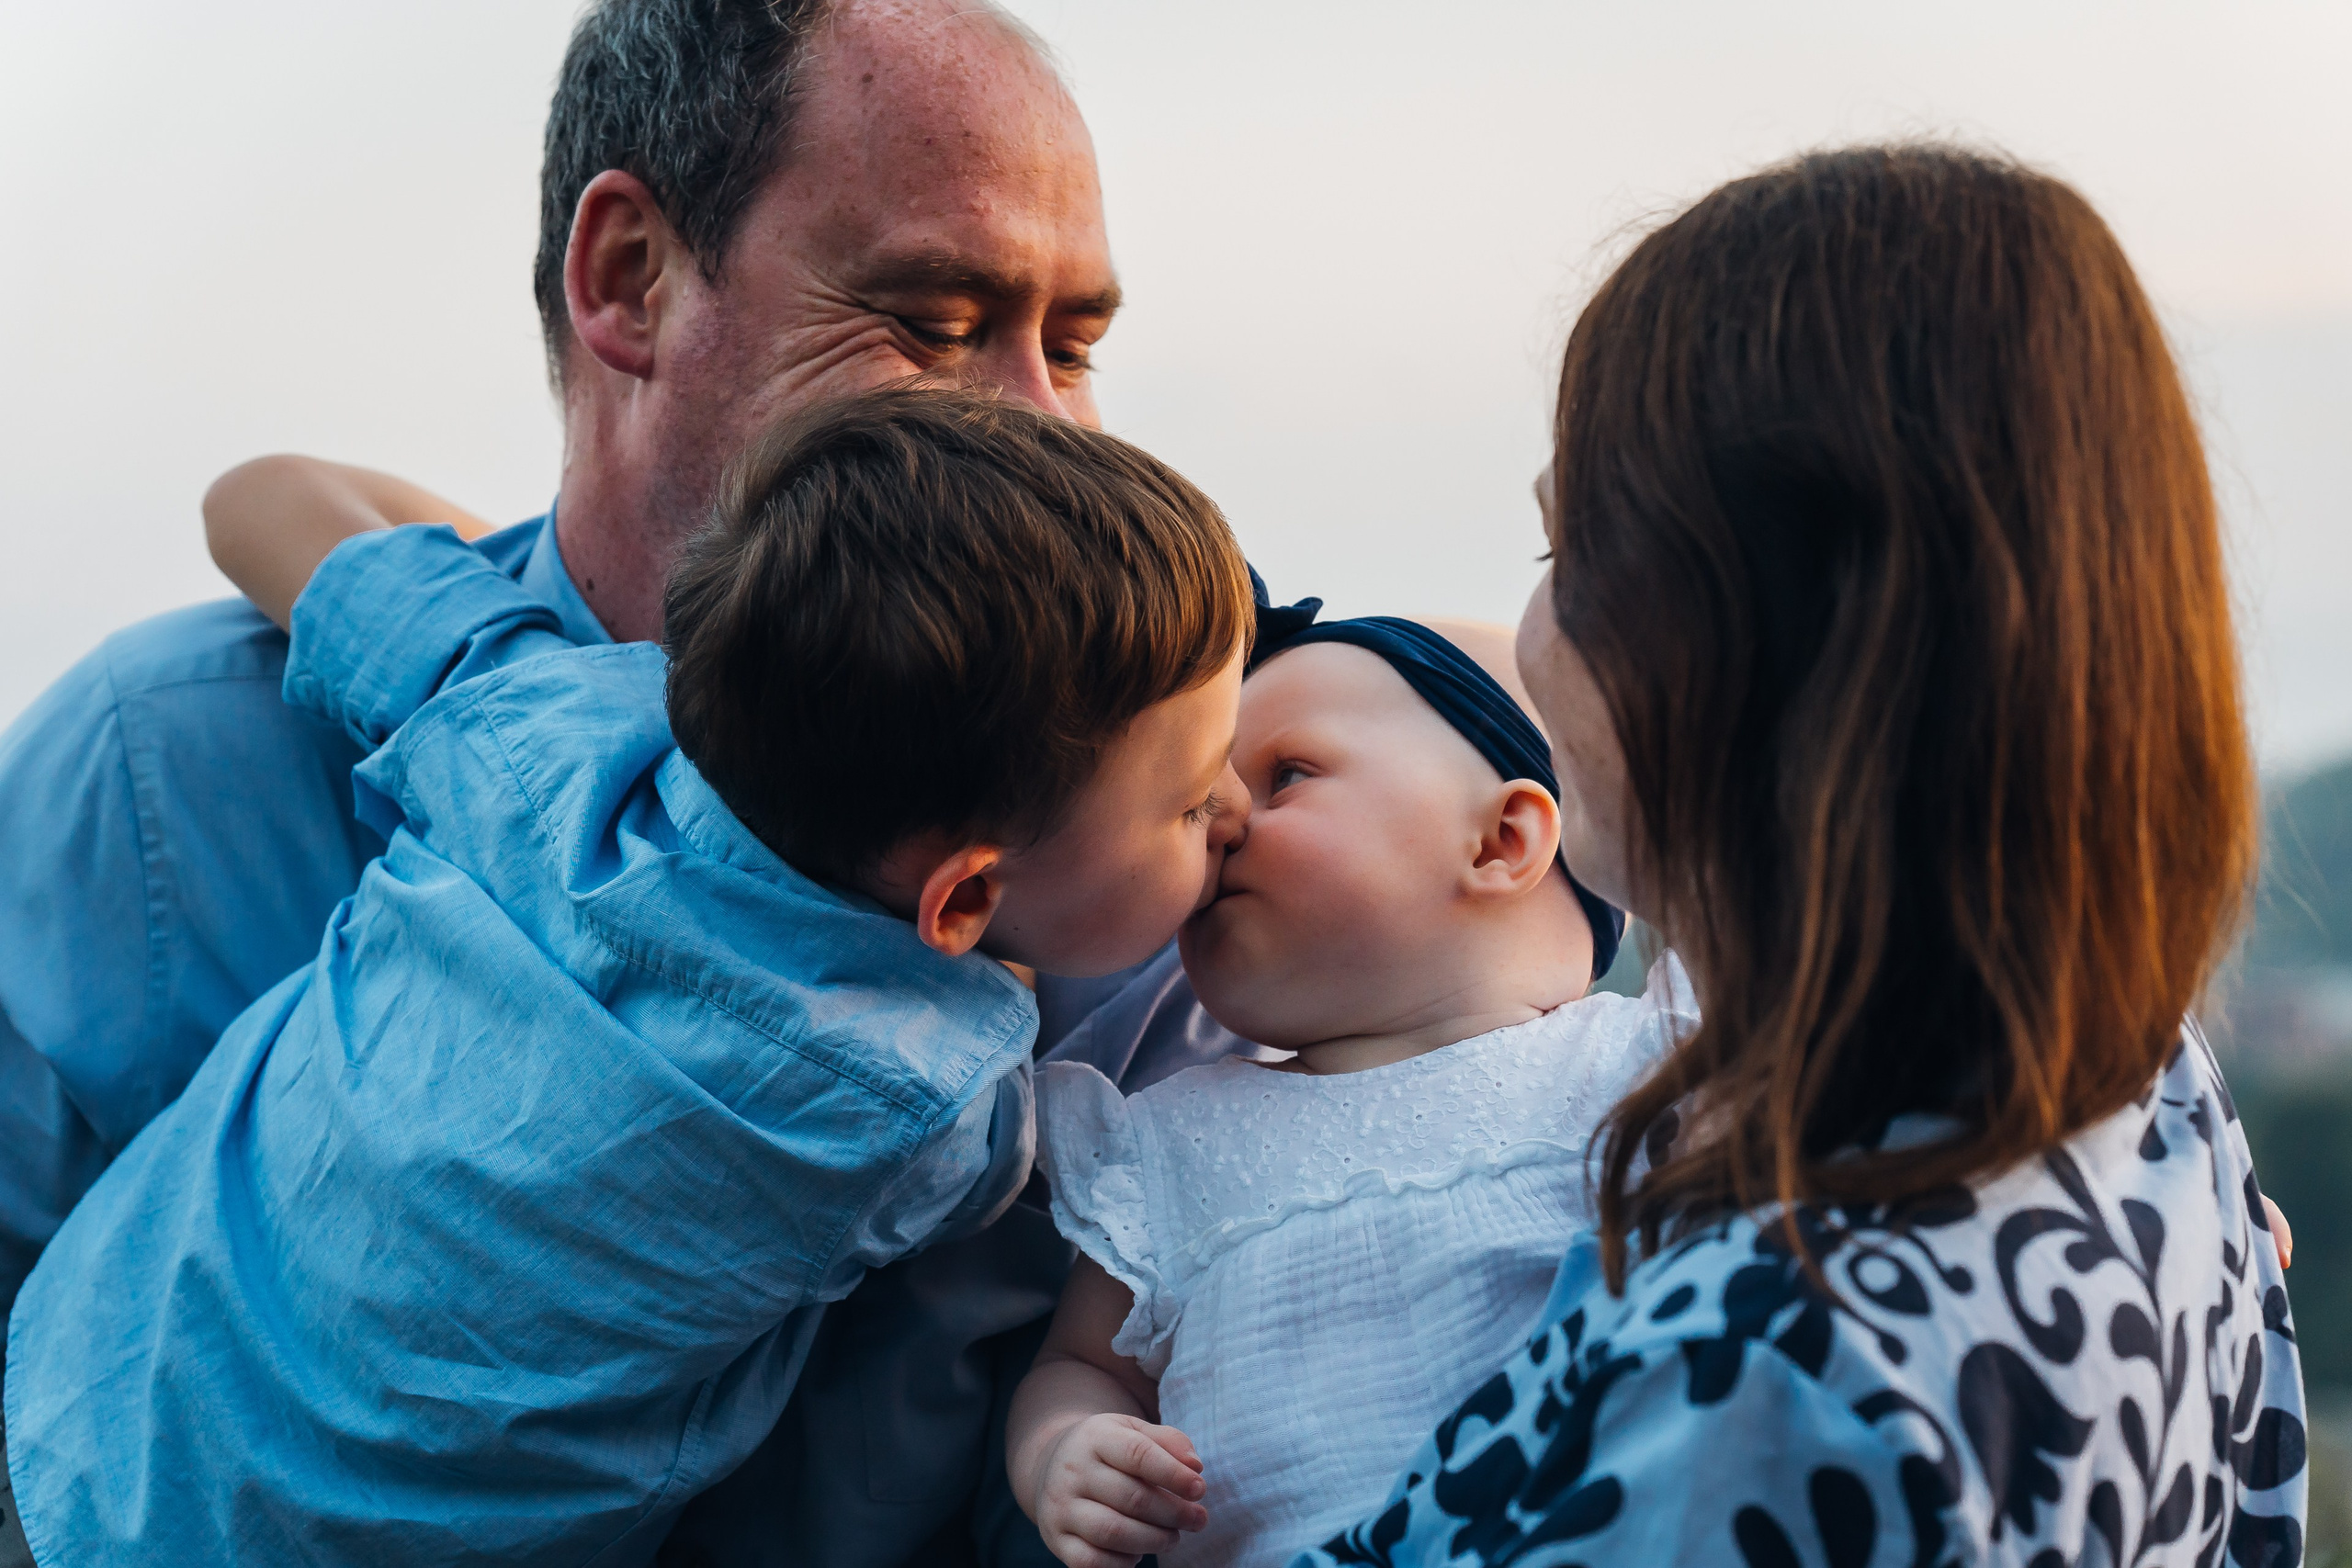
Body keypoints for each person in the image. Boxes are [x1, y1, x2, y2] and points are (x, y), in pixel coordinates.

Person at [0, 2, 1219, 1561]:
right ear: (630, 278)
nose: (1043, 424)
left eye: (1077, 344)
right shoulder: (162, 778)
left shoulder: (1164, 921)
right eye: (931, 316)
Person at [1298, 143, 2308, 1565]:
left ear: (1765, 632)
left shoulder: (1779, 1365)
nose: (1531, 641)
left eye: (1562, 550)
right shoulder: (2154, 1094)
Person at [1002, 611, 1684, 1567]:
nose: (1224, 820)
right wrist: (1062, 1451)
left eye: (1284, 774)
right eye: (1203, 801)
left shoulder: (1644, 1067)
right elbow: (1079, 1367)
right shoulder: (1170, 1142)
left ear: (1501, 841)